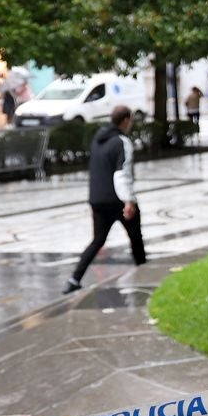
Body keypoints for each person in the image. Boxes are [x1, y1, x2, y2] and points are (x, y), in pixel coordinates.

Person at [63, 106, 146, 294]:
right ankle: (145, 272)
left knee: (97, 240)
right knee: (135, 238)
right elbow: (122, 173)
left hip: (97, 199)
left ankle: (73, 279)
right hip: (117, 199)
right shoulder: (122, 142)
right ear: (125, 120)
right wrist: (129, 201)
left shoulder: (98, 139)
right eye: (130, 120)